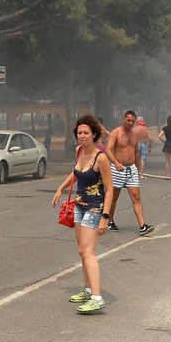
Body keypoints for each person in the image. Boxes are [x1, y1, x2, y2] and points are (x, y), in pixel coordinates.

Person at [51, 114, 113, 314]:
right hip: (78, 207)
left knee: (88, 252)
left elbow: (110, 189)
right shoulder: (80, 153)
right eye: (80, 132)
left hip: (94, 209)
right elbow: (76, 173)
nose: (83, 136)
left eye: (86, 133)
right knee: (81, 251)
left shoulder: (100, 158)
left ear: (94, 135)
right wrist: (61, 188)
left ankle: (97, 297)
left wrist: (105, 217)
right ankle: (87, 290)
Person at [101, 110, 154, 236]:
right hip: (117, 169)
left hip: (131, 170)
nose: (130, 123)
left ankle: (142, 226)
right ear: (123, 119)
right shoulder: (116, 132)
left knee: (136, 197)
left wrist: (136, 168)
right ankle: (110, 220)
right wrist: (115, 162)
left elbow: (136, 152)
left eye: (132, 121)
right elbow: (108, 150)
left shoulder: (134, 134)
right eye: (128, 120)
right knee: (113, 197)